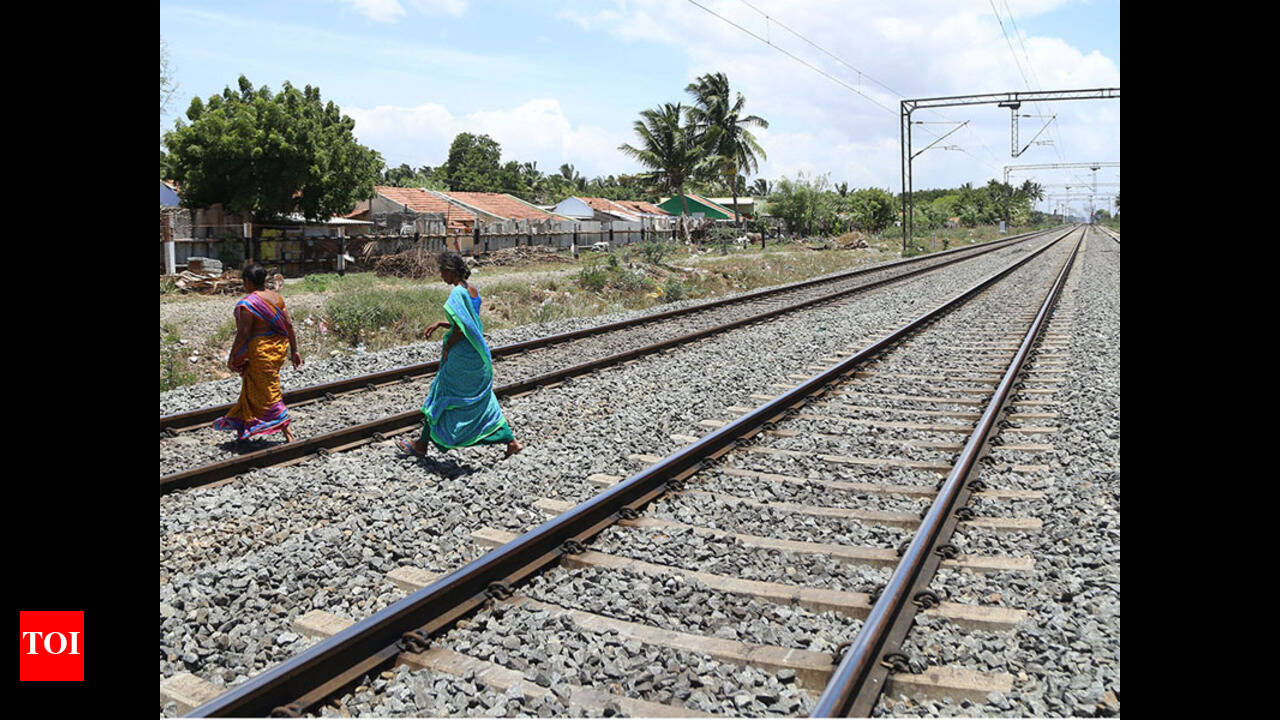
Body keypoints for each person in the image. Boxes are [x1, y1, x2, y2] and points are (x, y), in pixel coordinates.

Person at [397, 252, 523, 458]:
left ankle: (421, 445)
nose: (440, 276)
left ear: (450, 270)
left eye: (441, 272)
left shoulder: (457, 293)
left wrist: (447, 349)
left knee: (440, 396)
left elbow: (461, 328)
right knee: (480, 399)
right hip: (476, 355)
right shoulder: (472, 291)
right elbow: (469, 322)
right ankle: (511, 441)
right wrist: (440, 323)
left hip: (461, 356)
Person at [213, 262, 302, 442]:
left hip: (261, 354)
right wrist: (295, 351)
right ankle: (246, 426)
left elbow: (243, 334)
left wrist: (233, 356)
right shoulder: (276, 298)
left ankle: (287, 431)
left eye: (244, 281)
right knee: (254, 388)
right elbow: (289, 325)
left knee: (269, 392)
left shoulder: (248, 304)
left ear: (248, 282)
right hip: (277, 351)